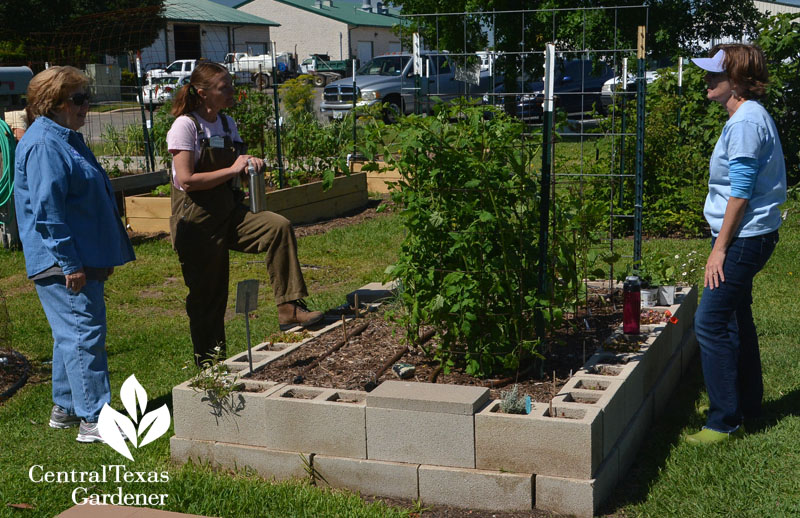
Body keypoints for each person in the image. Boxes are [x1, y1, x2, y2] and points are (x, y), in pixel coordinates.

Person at [166, 61, 323, 368]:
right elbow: (186, 180)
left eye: (231, 85)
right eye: (225, 87)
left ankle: (288, 308)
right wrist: (233, 168)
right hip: (196, 222)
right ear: (203, 93)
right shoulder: (186, 126)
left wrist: (250, 165)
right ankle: (211, 367)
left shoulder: (226, 124)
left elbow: (236, 170)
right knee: (209, 298)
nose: (232, 92)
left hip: (229, 212)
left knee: (277, 227)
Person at [14, 66, 135, 443]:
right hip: (63, 260)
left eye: (87, 98)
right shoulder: (45, 145)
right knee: (84, 334)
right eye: (79, 99)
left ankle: (66, 407)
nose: (87, 106)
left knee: (71, 332)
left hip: (79, 256)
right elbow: (47, 213)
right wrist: (71, 264)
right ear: (55, 103)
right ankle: (94, 419)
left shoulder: (65, 137)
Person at [686, 44, 786, 445]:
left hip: (743, 238)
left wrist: (719, 249)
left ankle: (724, 421)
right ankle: (747, 404)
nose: (707, 79)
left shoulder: (745, 123)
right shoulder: (746, 116)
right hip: (750, 235)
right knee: (734, 318)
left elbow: (740, 193)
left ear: (739, 81)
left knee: (710, 322)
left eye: (716, 73)